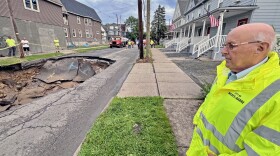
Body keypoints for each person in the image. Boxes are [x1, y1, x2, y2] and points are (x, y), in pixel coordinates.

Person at [187, 23, 280, 156]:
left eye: (231, 46)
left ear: (260, 48)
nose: (223, 51)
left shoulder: (276, 93)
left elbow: (266, 150)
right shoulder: (226, 70)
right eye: (225, 45)